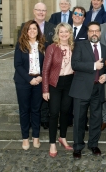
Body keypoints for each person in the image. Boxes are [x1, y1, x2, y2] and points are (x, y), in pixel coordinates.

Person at [69, 21, 106, 160]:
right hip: (81, 89)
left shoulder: (105, 49)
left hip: (97, 89)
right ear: (87, 33)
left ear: (100, 32)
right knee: (79, 119)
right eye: (91, 31)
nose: (94, 33)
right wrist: (93, 66)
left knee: (96, 119)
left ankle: (93, 144)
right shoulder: (80, 45)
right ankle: (78, 146)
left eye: (96, 31)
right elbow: (75, 64)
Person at [19, 2, 56, 130]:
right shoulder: (24, 26)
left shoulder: (52, 27)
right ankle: (28, 122)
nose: (41, 12)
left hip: (43, 70)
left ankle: (44, 119)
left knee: (43, 97)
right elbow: (20, 50)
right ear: (34, 11)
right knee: (27, 102)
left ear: (46, 12)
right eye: (38, 10)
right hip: (26, 74)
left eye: (43, 10)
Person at [42, 23, 74, 157]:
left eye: (66, 32)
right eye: (61, 32)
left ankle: (63, 137)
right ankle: (52, 143)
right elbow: (45, 70)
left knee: (65, 111)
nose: (64, 34)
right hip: (55, 83)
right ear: (57, 33)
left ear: (70, 33)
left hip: (69, 83)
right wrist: (45, 89)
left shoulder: (74, 47)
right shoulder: (52, 48)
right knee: (54, 113)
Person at [14, 20, 45, 150]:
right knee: (24, 111)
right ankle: (25, 138)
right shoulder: (20, 45)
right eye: (30, 29)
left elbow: (47, 64)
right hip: (23, 82)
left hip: (39, 81)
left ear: (38, 31)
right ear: (26, 31)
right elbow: (18, 65)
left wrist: (41, 77)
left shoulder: (43, 45)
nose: (32, 31)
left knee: (36, 110)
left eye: (35, 28)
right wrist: (29, 79)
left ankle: (36, 137)